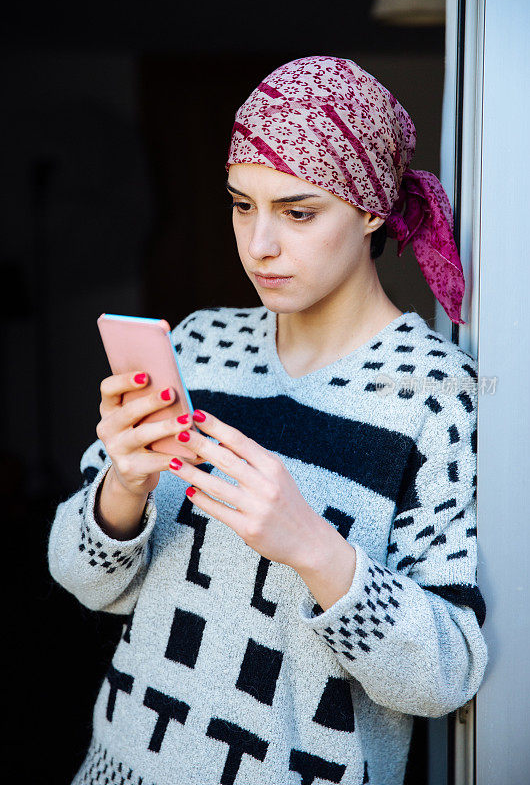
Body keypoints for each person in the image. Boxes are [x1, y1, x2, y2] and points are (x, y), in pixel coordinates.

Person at [48, 56, 488, 785]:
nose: (258, 245)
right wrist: (121, 489)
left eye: (297, 211)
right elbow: (83, 581)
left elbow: (446, 676)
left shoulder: (434, 391)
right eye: (239, 204)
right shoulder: (195, 345)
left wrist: (312, 546)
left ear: (372, 209)